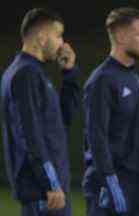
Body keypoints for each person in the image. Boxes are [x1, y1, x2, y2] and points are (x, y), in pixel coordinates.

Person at [1, 8, 80, 216]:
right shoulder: (25, 74)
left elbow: (61, 121)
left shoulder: (31, 72)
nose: (62, 43)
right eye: (58, 35)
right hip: (45, 195)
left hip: (49, 192)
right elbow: (29, 134)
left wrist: (69, 74)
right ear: (42, 37)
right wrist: (51, 183)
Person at [82, 7, 139, 216]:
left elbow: (138, 138)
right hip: (107, 187)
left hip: (134, 185)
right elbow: (96, 138)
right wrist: (111, 183)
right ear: (121, 36)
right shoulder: (101, 80)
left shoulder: (135, 80)